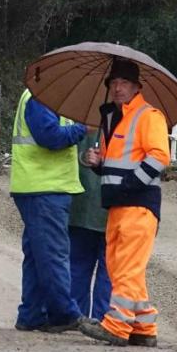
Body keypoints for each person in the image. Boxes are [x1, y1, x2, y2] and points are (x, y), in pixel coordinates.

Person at [79, 59, 170, 348]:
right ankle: (143, 327)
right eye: (113, 83)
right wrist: (96, 163)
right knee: (123, 267)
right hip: (119, 206)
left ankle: (117, 326)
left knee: (127, 268)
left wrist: (130, 185)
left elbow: (159, 157)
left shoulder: (148, 116)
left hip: (138, 206)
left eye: (124, 83)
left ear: (136, 87)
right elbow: (114, 164)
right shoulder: (111, 119)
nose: (117, 88)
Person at [10, 87, 87, 332]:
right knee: (53, 254)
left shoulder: (43, 96)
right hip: (45, 187)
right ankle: (64, 313)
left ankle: (32, 313)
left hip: (37, 186)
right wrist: (84, 129)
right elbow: (50, 137)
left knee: (37, 254)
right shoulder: (43, 97)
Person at [68, 134, 111, 319]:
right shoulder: (133, 121)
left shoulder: (78, 114)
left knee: (77, 267)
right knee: (109, 272)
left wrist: (83, 158)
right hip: (113, 210)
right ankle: (103, 320)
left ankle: (76, 317)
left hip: (80, 205)